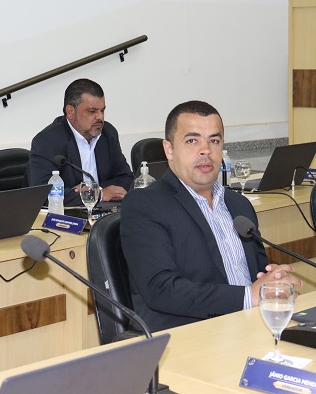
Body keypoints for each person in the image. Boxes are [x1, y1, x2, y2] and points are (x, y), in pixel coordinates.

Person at [120, 100, 301, 332]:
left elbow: (257, 274)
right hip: (191, 337)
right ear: (169, 149)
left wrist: (271, 282)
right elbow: (161, 290)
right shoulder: (145, 205)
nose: (206, 150)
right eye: (192, 141)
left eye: (214, 141)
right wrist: (248, 296)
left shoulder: (239, 205)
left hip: (251, 327)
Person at [28, 79, 133, 206]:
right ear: (70, 112)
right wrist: (99, 194)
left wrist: (94, 190)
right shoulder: (47, 141)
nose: (100, 117)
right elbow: (43, 194)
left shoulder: (108, 134)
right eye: (92, 111)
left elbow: (127, 178)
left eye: (102, 110)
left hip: (103, 211)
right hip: (67, 215)